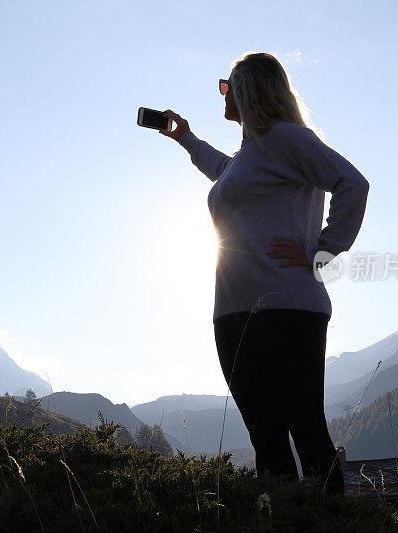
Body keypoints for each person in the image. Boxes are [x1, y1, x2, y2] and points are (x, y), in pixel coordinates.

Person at [159, 52, 370, 497]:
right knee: (265, 438)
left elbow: (353, 183)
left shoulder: (286, 138)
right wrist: (186, 138)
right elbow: (222, 170)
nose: (222, 93)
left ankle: (335, 523)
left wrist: (324, 251)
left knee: (306, 430)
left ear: (251, 90)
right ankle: (289, 523)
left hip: (288, 307)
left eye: (226, 85)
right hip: (233, 312)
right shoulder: (248, 154)